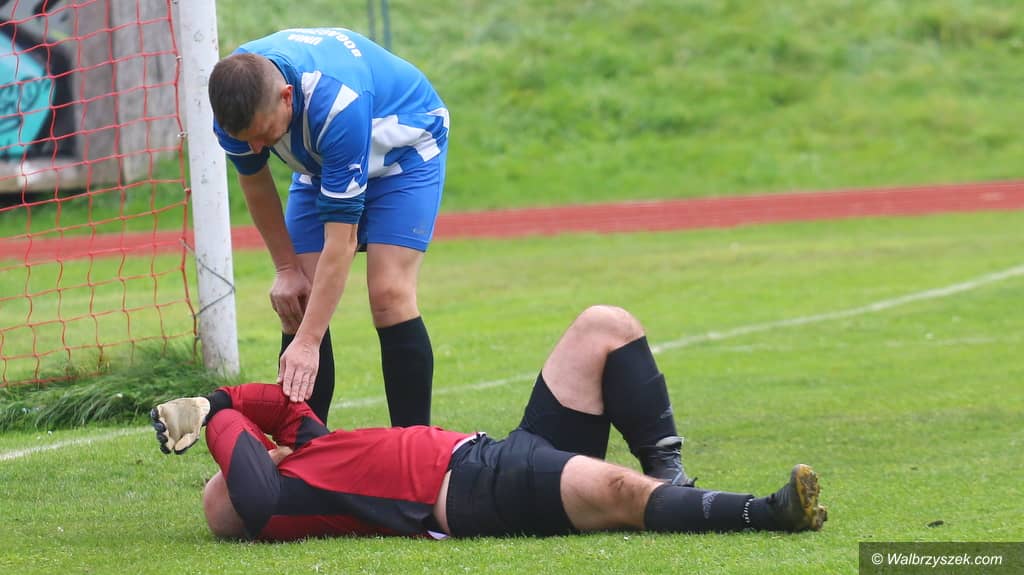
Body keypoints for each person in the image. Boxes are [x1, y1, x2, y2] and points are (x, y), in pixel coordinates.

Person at [151, 305, 828, 540]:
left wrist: (213, 398)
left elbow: (279, 407)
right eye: (244, 461)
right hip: (477, 492)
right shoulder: (282, 499)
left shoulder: (308, 450)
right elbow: (248, 485)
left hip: (497, 453)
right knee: (620, 494)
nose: (257, 452)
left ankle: (671, 474)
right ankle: (765, 513)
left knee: (605, 326)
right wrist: (218, 419)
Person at [207, 27, 450, 426]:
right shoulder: (234, 103)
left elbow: (342, 240)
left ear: (287, 97)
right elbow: (255, 184)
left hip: (404, 150)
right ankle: (303, 448)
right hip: (323, 158)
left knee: (389, 293)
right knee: (299, 298)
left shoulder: (337, 105)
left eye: (264, 135)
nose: (256, 149)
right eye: (245, 140)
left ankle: (415, 446)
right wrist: (286, 269)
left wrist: (308, 342)